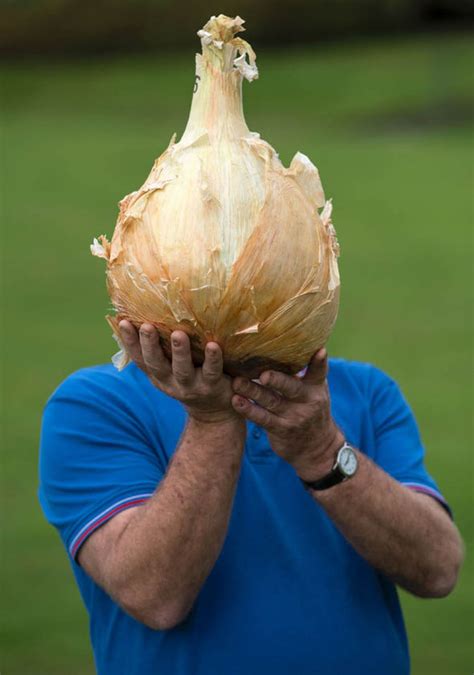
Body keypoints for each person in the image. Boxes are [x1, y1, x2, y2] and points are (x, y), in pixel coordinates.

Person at [39, 321, 463, 675]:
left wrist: (322, 450)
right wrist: (212, 419)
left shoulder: (366, 392)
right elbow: (154, 596)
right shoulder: (92, 404)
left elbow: (438, 569)